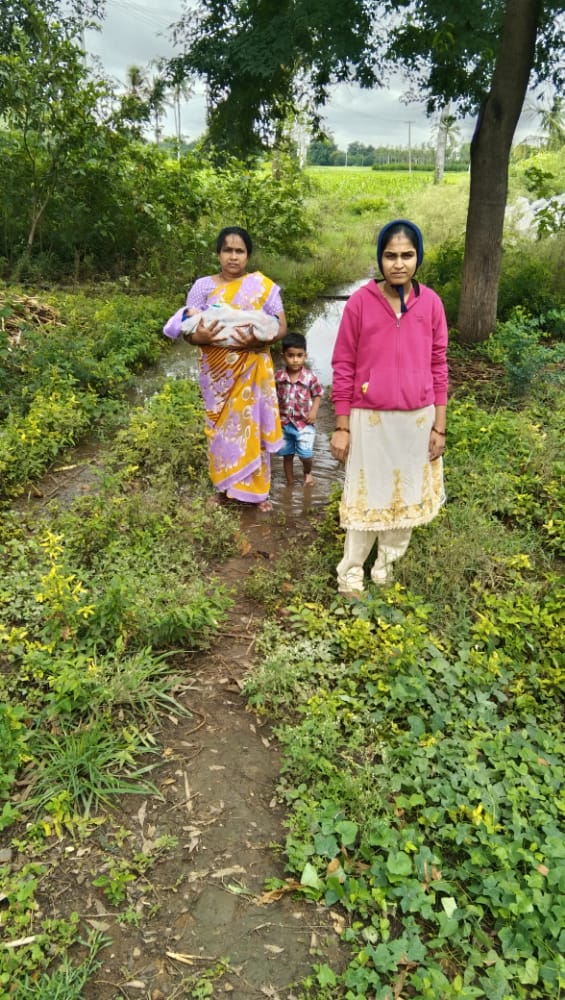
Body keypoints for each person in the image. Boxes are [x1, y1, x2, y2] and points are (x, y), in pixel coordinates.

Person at [330, 218, 448, 595]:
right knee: (368, 494)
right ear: (380, 258)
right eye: (390, 255)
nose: (399, 263)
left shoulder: (431, 304)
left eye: (407, 255)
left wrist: (439, 426)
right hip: (371, 419)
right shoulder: (360, 304)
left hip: (417, 420)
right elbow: (343, 365)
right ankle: (350, 570)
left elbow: (439, 364)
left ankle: (385, 566)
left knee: (408, 493)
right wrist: (343, 425)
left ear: (418, 258)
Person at [163, 226, 287, 512]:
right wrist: (199, 337)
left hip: (252, 368)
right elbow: (188, 327)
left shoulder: (262, 286)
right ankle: (223, 487)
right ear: (218, 253)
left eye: (239, 251)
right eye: (227, 250)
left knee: (252, 425)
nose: (233, 257)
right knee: (220, 430)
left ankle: (258, 493)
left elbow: (280, 326)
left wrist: (257, 338)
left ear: (248, 255)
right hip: (218, 375)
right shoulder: (202, 287)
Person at [275, 333, 323, 486]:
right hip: (283, 424)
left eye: (299, 355)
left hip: (304, 424)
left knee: (305, 455)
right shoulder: (278, 377)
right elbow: (272, 398)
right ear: (283, 356)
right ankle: (290, 483)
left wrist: (314, 411)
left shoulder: (310, 377)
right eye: (291, 355)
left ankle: (307, 472)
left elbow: (318, 394)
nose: (295, 360)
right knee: (286, 455)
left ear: (305, 356)